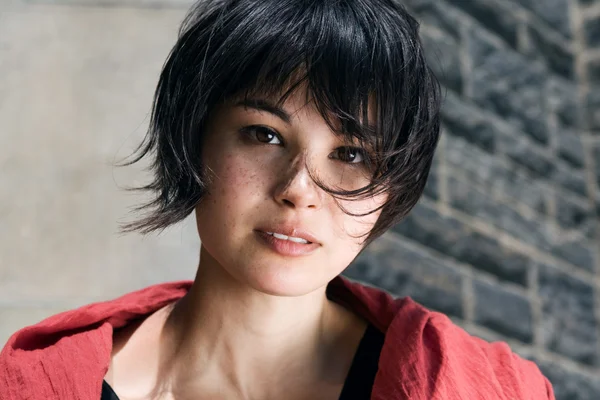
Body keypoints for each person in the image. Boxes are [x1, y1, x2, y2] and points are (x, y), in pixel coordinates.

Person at [1, 0, 555, 399]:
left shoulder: (483, 387)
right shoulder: (39, 385)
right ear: (194, 137)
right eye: (264, 135)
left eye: (353, 153)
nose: (299, 190)